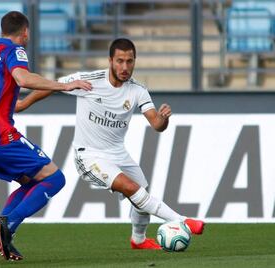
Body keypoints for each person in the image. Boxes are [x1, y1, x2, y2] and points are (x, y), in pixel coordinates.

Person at [16, 38, 205, 250]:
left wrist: (164, 119)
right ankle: (181, 220)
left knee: (142, 192)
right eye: (120, 61)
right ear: (110, 61)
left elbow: (156, 124)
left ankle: (139, 240)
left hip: (118, 153)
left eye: (130, 61)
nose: (125, 67)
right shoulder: (89, 81)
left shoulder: (138, 91)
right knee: (134, 189)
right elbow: (51, 86)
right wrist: (24, 103)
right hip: (89, 155)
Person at [0, 11, 91, 261]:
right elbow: (23, 78)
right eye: (28, 33)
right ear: (25, 32)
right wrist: (63, 85)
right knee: (55, 178)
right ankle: (8, 225)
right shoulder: (14, 51)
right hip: (0, 137)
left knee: (31, 182)